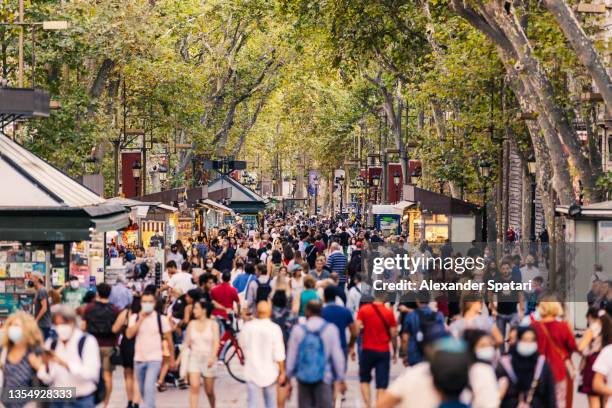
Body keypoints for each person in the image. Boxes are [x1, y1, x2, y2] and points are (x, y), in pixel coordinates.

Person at [37, 305, 101, 408]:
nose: (60, 327)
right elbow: (46, 378)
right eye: (56, 324)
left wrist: (65, 364)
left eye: (63, 323)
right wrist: (45, 365)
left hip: (81, 400)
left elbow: (91, 373)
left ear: (73, 323)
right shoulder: (52, 343)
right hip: (57, 400)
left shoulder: (87, 342)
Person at [286, 300, 346, 408]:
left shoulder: (298, 330)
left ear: (307, 311)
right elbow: (337, 357)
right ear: (321, 312)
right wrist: (340, 378)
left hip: (303, 377)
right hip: (324, 377)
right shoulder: (330, 329)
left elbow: (291, 356)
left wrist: (288, 377)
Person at [126, 287, 176, 408]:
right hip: (139, 359)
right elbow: (128, 334)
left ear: (154, 303)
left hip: (154, 359)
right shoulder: (135, 318)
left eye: (150, 302)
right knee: (143, 391)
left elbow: (170, 341)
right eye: (144, 302)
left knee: (149, 388)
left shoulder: (161, 320)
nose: (147, 304)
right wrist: (140, 320)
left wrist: (172, 360)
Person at [530, 297, 577, 408]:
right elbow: (573, 346)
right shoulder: (563, 326)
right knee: (559, 401)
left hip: (538, 370)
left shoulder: (533, 326)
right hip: (558, 370)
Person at [240, 301, 287, 408]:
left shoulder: (248, 327)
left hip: (252, 370)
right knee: (270, 403)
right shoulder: (274, 329)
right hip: (269, 372)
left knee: (252, 403)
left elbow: (242, 345)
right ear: (270, 312)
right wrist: (282, 372)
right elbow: (279, 353)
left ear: (256, 311)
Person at [81, 282, 120, 408]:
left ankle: (93, 401)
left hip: (92, 345)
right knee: (107, 375)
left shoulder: (89, 308)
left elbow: (83, 327)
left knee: (92, 373)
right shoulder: (115, 309)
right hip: (109, 345)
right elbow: (118, 328)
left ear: (97, 293)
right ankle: (105, 404)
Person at [356, 292, 398, 407]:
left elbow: (356, 327)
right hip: (383, 351)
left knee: (364, 379)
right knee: (381, 384)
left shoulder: (364, 310)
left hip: (367, 349)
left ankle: (368, 405)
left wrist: (352, 345)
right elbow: (393, 334)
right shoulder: (389, 312)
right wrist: (395, 351)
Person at [497, 326, 556, 408]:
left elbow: (550, 395)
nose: (528, 344)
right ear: (518, 340)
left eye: (532, 340)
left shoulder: (542, 365)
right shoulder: (505, 365)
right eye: (525, 340)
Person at [0, 311, 45, 408]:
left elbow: (47, 379)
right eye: (11, 325)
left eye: (17, 326)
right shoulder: (4, 350)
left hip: (28, 404)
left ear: (27, 329)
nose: (13, 329)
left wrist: (40, 368)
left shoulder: (35, 351)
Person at [182, 299, 219, 408]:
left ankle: (213, 405)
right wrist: (178, 360)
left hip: (208, 359)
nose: (194, 311)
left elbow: (216, 342)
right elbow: (186, 344)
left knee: (209, 391)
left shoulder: (213, 324)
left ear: (204, 310)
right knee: (194, 386)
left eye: (196, 308)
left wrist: (212, 357)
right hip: (194, 358)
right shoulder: (191, 324)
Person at [111, 296, 142, 408]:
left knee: (128, 374)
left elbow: (114, 329)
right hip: (141, 344)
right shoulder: (145, 315)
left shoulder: (126, 312)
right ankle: (136, 402)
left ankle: (129, 401)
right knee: (137, 376)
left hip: (127, 344)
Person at [401, 290, 445, 367]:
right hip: (432, 355)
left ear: (417, 300)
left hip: (414, 355)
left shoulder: (411, 316)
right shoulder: (438, 316)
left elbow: (405, 339)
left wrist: (405, 355)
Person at [578, 307, 606, 408]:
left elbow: (581, 348)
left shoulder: (593, 328)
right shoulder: (607, 326)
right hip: (606, 361)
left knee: (593, 396)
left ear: (589, 317)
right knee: (604, 397)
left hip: (593, 363)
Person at [321, 285, 357, 360]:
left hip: (324, 348)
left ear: (324, 297)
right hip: (341, 346)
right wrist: (351, 345)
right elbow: (354, 332)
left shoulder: (320, 312)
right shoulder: (346, 312)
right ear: (336, 297)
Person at [31, 271, 52, 340]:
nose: (30, 281)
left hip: (44, 324)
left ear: (37, 279)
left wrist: (36, 320)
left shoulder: (42, 291)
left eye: (32, 279)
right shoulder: (38, 291)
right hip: (41, 324)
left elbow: (44, 308)